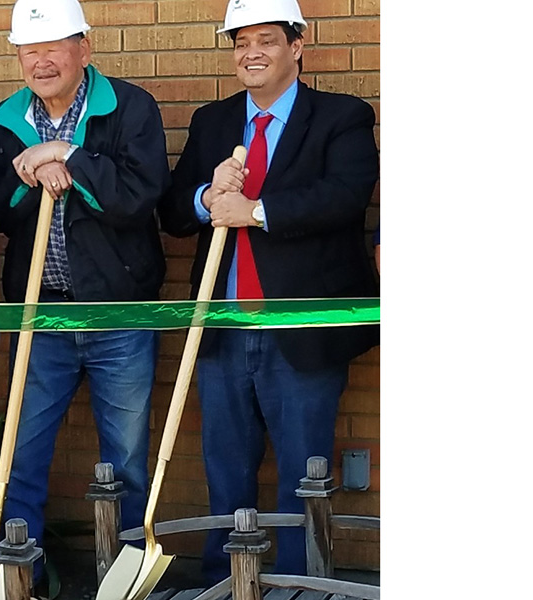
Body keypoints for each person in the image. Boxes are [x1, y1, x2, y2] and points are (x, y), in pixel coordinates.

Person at [158, 0, 380, 584]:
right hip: (224, 326)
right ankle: (226, 582)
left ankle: (298, 585)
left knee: (303, 475)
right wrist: (206, 198)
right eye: (241, 42)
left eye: (266, 40)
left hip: (299, 329)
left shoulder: (341, 116)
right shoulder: (212, 121)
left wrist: (255, 211)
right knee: (225, 468)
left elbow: (345, 196)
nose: (251, 52)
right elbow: (173, 210)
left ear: (296, 46)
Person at [0, 0, 170, 584]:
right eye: (29, 51)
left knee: (126, 463)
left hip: (119, 316)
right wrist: (33, 173)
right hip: (41, 317)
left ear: (84, 47)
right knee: (21, 456)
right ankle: (19, 581)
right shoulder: (0, 125)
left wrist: (69, 156)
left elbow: (138, 198)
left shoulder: (130, 108)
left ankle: (124, 579)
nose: (41, 61)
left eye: (53, 47)